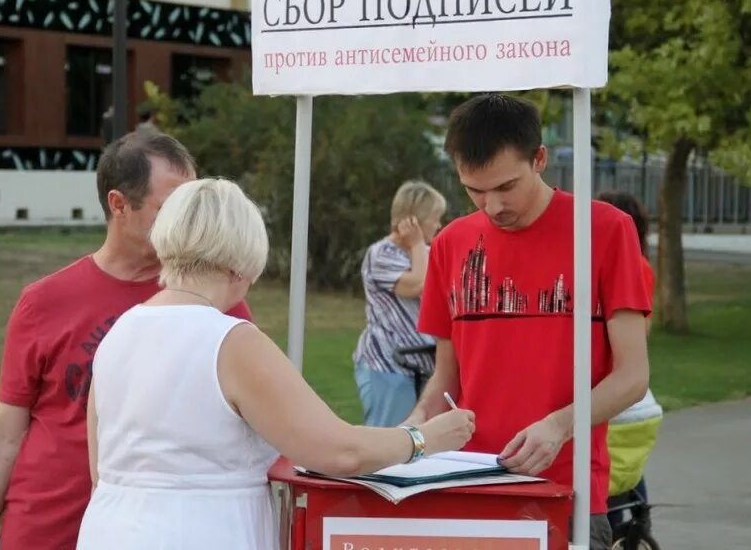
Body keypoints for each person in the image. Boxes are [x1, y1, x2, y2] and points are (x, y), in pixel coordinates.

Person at [76, 178, 476, 549]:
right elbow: (338, 451)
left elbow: (100, 468)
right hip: (202, 532)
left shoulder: (118, 334)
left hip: (108, 529)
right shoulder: (232, 342)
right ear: (241, 261)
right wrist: (424, 438)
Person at [0, 133, 253, 550]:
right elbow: (5, 434)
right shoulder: (44, 302)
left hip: (153, 535)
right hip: (47, 531)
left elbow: (254, 419)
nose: (188, 223)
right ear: (118, 204)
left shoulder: (216, 299)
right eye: (171, 208)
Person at [405, 94, 651, 550]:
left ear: (539, 159)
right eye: (475, 190)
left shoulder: (605, 230)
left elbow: (633, 377)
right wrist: (415, 426)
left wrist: (559, 426)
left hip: (569, 492)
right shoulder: (451, 244)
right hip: (469, 483)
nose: (492, 205)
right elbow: (446, 377)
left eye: (506, 186)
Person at [353, 180, 447, 426]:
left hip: (424, 364)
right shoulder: (381, 254)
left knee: (423, 440)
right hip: (388, 364)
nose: (438, 225)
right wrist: (417, 244)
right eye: (435, 218)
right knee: (389, 438)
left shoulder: (427, 252)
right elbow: (419, 284)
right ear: (414, 220)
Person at [596, 191, 663, 527]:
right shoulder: (641, 265)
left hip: (612, 387)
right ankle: (638, 524)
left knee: (612, 471)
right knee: (628, 469)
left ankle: (628, 527)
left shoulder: (628, 266)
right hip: (636, 401)